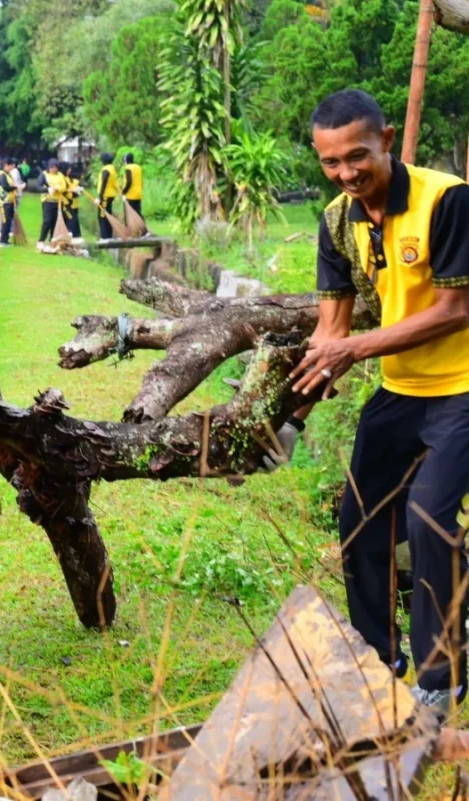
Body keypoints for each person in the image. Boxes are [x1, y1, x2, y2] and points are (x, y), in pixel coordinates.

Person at [286, 89, 469, 719]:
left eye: (357, 156)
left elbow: (456, 309)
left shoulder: (447, 199)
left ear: (387, 140)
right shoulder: (337, 218)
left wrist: (355, 348)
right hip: (402, 390)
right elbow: (330, 328)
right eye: (330, 163)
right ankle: (376, 662)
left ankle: (440, 679)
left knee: (430, 522)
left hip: (463, 389)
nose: (345, 173)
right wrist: (290, 416)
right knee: (360, 519)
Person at [37, 158, 67, 244]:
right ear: (49, 167)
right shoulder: (44, 175)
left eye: (56, 167)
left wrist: (58, 188)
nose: (54, 169)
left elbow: (64, 187)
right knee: (47, 221)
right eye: (52, 167)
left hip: (58, 201)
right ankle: (41, 240)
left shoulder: (60, 175)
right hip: (47, 200)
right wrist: (47, 189)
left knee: (55, 220)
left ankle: (53, 238)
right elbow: (39, 186)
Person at [0, 156, 18, 247]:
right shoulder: (1, 174)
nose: (12, 168)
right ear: (6, 165)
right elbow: (6, 187)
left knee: (8, 221)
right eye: (11, 166)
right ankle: (2, 241)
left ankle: (6, 240)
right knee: (5, 220)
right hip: (3, 201)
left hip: (10, 200)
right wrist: (16, 187)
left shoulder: (8, 174)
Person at [95, 152, 119, 241]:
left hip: (105, 195)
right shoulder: (112, 168)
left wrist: (99, 197)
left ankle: (105, 237)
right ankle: (108, 235)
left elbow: (104, 182)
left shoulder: (106, 170)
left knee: (102, 216)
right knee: (107, 214)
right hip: (110, 195)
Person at [121, 152, 146, 231]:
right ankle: (143, 230)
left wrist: (124, 192)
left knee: (129, 214)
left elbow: (129, 181)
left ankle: (129, 231)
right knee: (138, 212)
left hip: (131, 195)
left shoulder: (128, 168)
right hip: (138, 193)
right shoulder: (138, 167)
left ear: (126, 160)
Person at [61, 163, 83, 241]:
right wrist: (72, 191)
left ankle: (76, 236)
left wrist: (78, 191)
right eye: (68, 169)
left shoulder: (73, 180)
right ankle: (72, 235)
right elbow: (63, 190)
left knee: (74, 218)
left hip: (72, 203)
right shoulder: (62, 178)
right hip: (65, 202)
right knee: (71, 219)